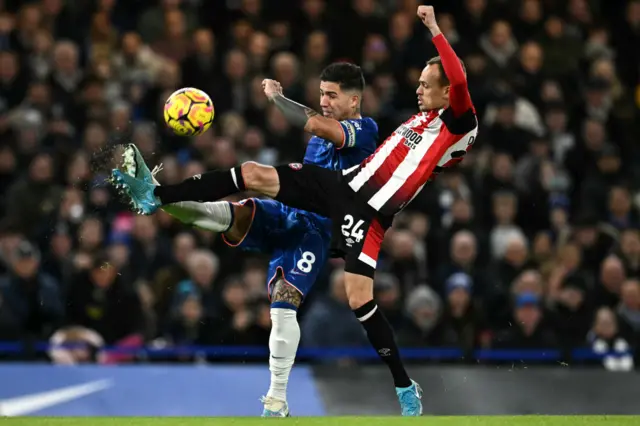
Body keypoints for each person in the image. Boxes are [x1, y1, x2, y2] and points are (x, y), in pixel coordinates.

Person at [113, 5, 474, 416]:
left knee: (357, 301)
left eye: (427, 84)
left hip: (354, 219)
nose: (418, 90)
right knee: (246, 181)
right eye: (321, 93)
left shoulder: (432, 122)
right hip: (340, 189)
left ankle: (402, 385)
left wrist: (433, 28)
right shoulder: (419, 120)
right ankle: (156, 196)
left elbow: (457, 81)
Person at [116, 62, 379, 417]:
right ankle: (156, 198)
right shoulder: (323, 131)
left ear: (355, 100)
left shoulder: (364, 130)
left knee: (283, 307)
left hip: (316, 231)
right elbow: (314, 128)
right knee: (224, 214)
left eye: (332, 95)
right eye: (321, 94)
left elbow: (315, 123)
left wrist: (276, 97)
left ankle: (276, 400)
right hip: (287, 212)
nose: (325, 101)